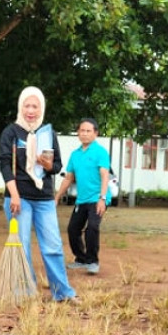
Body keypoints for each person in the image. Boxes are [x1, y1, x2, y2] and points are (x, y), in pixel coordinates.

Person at [0, 86, 76, 302]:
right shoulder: (11, 132)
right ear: (20, 106)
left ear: (42, 108)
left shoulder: (48, 133)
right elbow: (4, 165)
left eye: (35, 106)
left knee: (53, 246)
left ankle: (62, 293)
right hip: (19, 197)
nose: (30, 110)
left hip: (44, 198)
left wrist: (49, 165)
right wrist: (13, 194)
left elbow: (58, 164)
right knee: (22, 246)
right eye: (27, 105)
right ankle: (24, 293)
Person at [54, 118, 111, 275]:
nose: (84, 134)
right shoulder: (75, 154)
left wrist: (102, 198)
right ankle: (81, 259)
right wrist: (57, 196)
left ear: (95, 133)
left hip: (98, 197)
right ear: (78, 133)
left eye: (88, 131)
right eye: (82, 131)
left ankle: (93, 261)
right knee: (73, 229)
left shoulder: (100, 152)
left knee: (92, 227)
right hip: (82, 199)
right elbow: (68, 178)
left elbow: (105, 176)